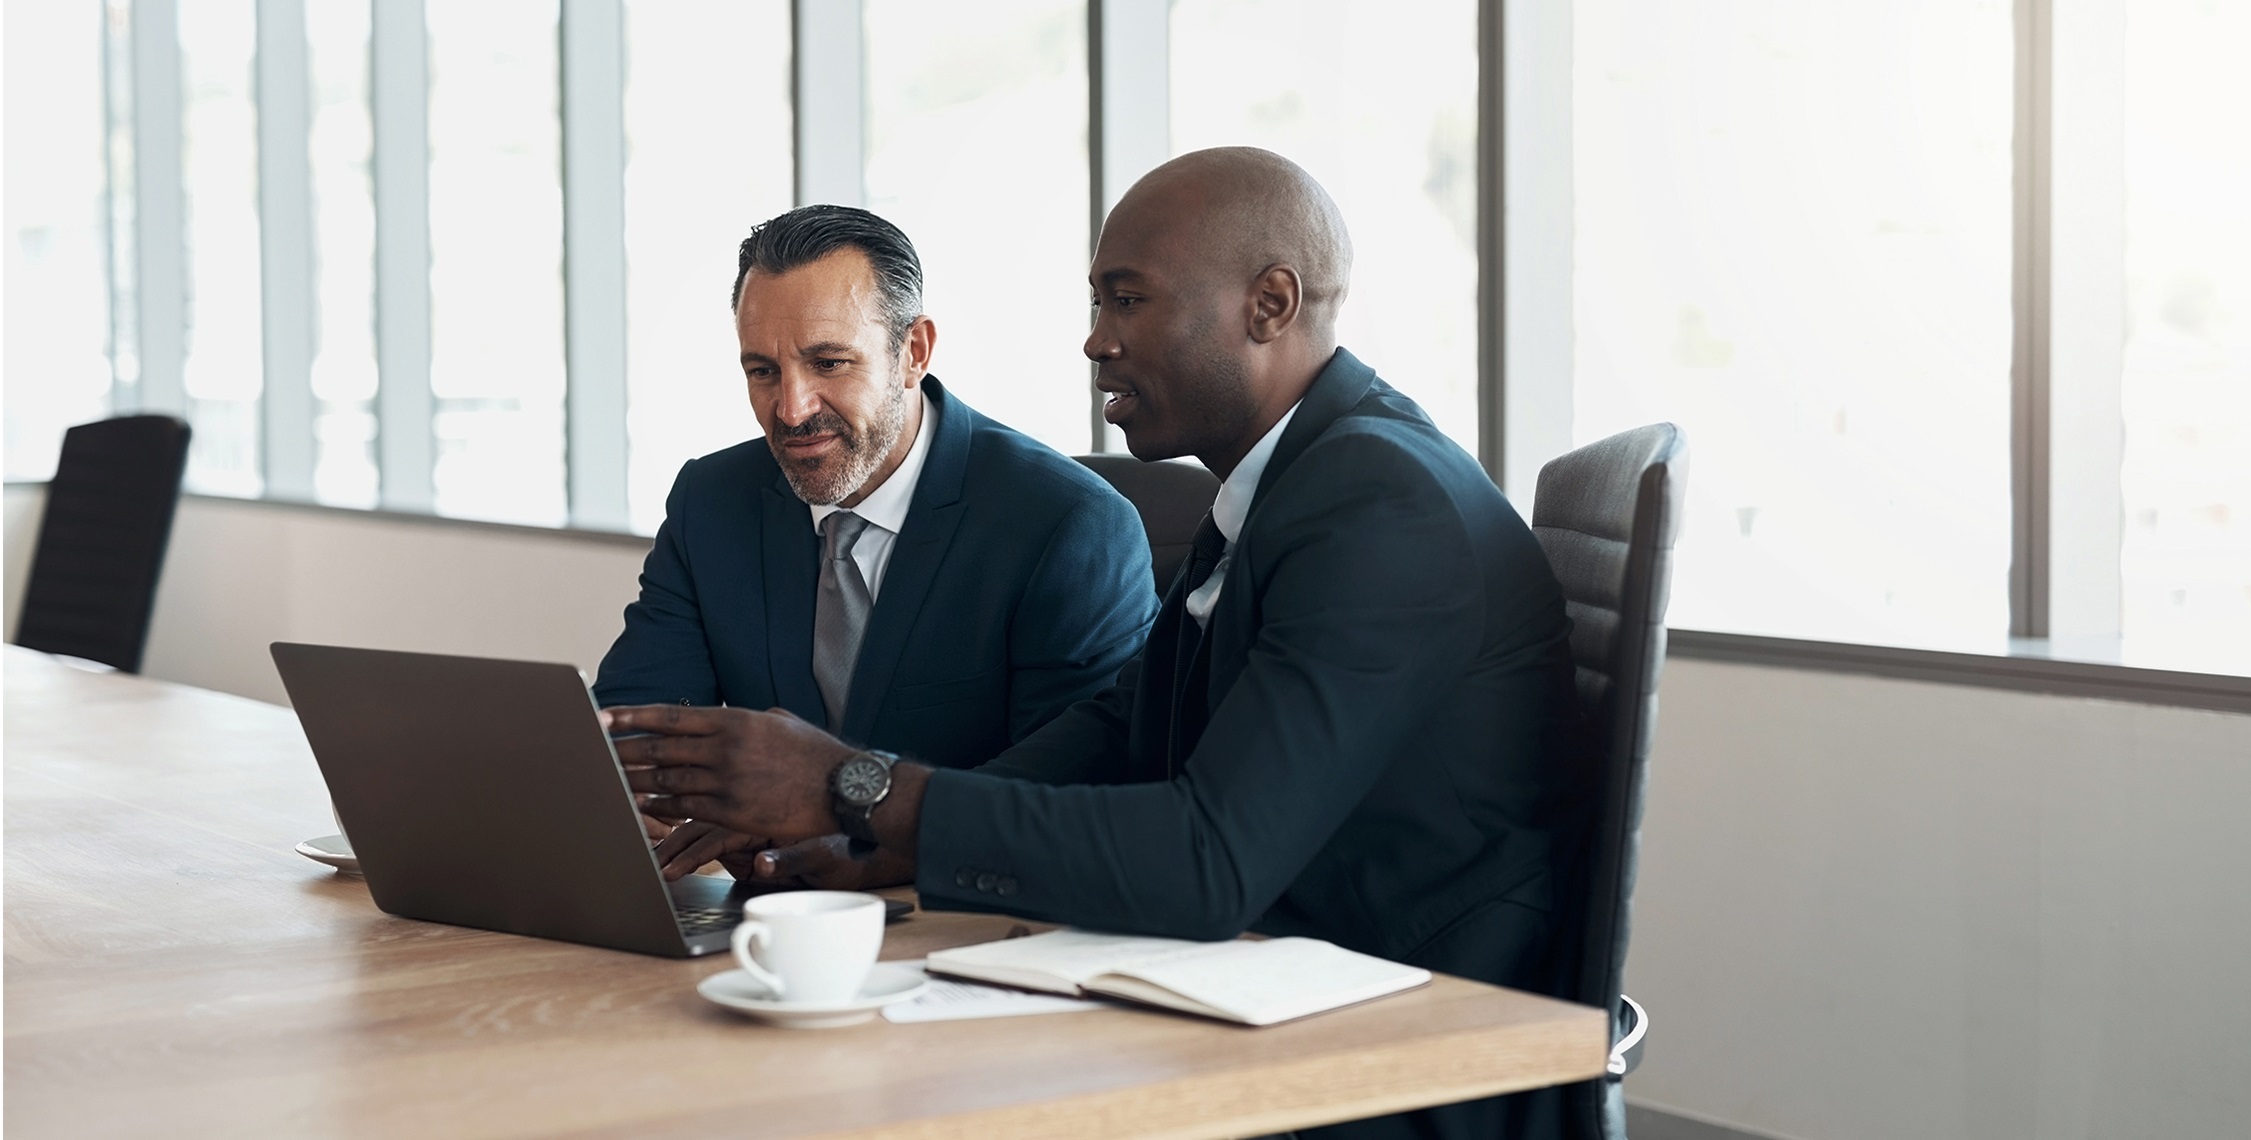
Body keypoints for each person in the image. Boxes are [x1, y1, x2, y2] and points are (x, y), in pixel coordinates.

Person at [609, 151, 1583, 1139]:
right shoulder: (1287, 483)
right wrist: (871, 840)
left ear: (1270, 305)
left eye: (1128, 302)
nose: (1095, 342)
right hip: (1283, 977)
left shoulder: (1379, 503)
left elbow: (1210, 861)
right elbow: (1124, 728)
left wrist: (853, 785)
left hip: (1406, 1047)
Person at [596, 204, 1158, 889]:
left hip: (965, 924)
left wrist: (839, 826)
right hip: (768, 918)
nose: (792, 408)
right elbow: (636, 724)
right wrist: (671, 791)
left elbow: (1069, 797)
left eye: (828, 362)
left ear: (913, 352)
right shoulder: (711, 500)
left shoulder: (1069, 526)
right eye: (763, 371)